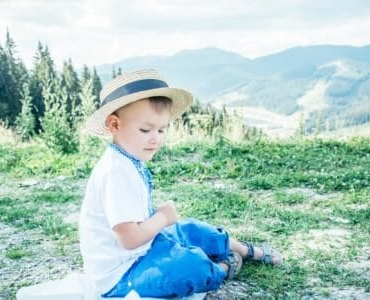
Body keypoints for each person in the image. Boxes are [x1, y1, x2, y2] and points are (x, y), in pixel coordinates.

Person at [79, 69, 283, 298]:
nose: (155, 138)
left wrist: (160, 222)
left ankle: (245, 250)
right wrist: (163, 218)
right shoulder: (114, 172)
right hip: (123, 275)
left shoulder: (127, 161)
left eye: (161, 129)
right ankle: (221, 270)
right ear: (115, 125)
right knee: (189, 266)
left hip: (144, 251)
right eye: (145, 130)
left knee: (191, 230)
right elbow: (129, 239)